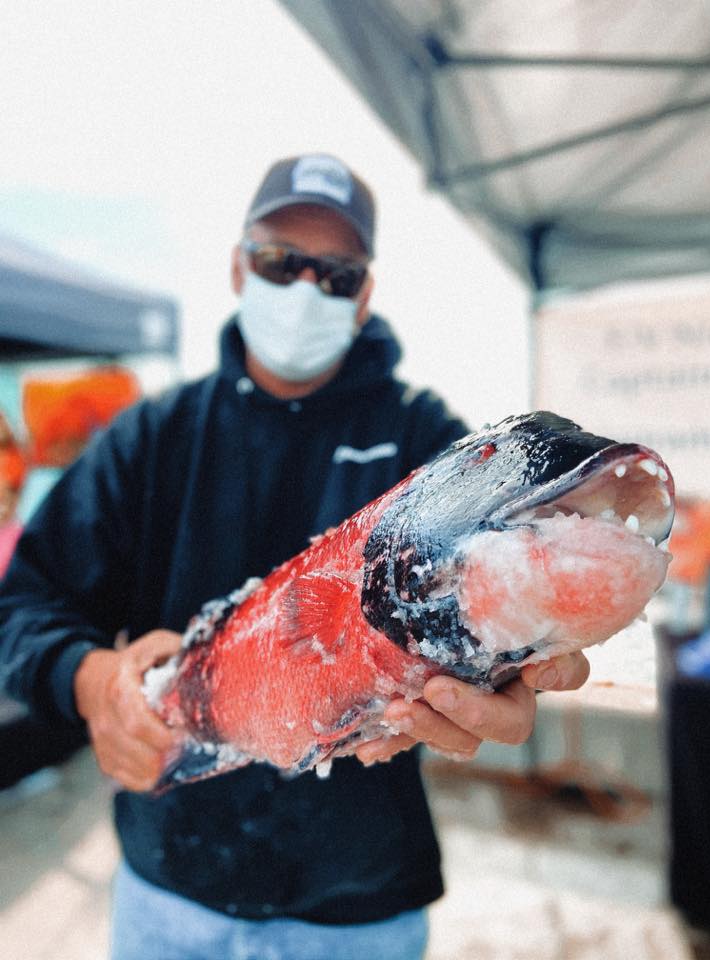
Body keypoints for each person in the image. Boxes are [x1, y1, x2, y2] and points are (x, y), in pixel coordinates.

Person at [0, 153, 589, 960]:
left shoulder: (424, 445)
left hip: (359, 909)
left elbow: (494, 577)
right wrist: (91, 679)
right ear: (240, 266)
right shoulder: (154, 437)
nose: (306, 290)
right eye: (283, 261)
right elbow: (24, 608)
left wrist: (513, 674)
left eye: (337, 274)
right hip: (168, 893)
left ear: (365, 294)